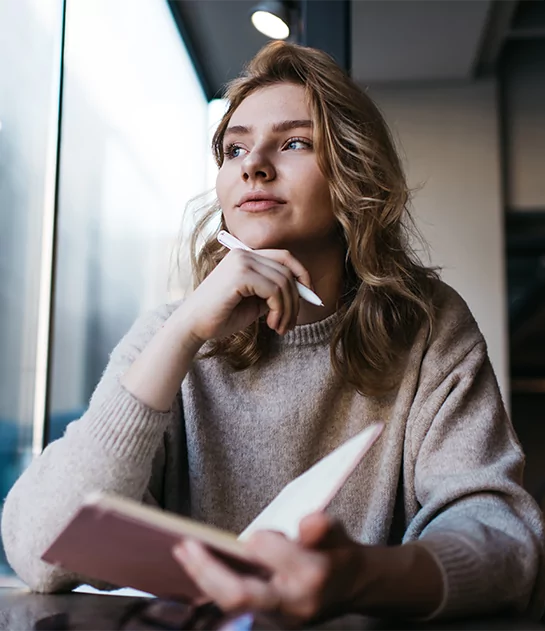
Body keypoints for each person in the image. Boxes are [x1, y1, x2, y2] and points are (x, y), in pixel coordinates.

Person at [2, 41, 545, 624]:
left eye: (293, 143)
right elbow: (37, 550)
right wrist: (183, 333)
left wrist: (359, 577)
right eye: (235, 147)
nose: (252, 164)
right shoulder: (167, 335)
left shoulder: (429, 329)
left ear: (352, 173)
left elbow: (502, 538)